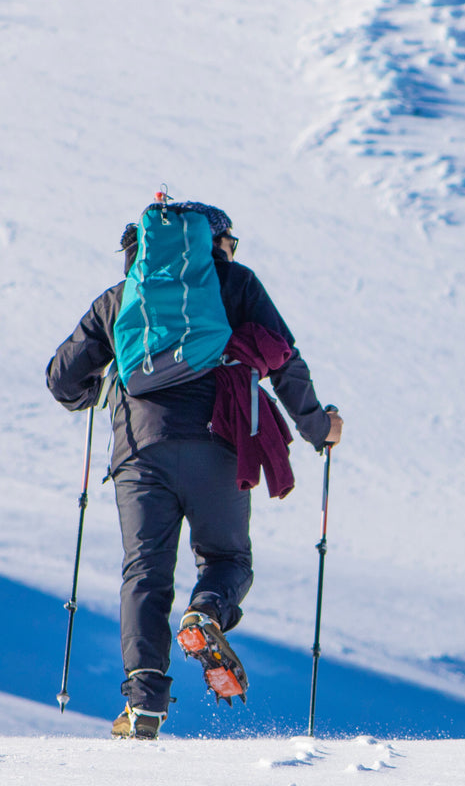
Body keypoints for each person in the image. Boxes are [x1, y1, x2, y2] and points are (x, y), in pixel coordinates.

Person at [46, 200, 343, 739]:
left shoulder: (121, 301)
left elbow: (62, 380)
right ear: (215, 242)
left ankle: (145, 704)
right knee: (228, 558)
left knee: (145, 572)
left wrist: (96, 390)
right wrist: (319, 427)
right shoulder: (236, 284)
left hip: (139, 453)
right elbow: (285, 360)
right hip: (219, 445)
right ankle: (205, 612)